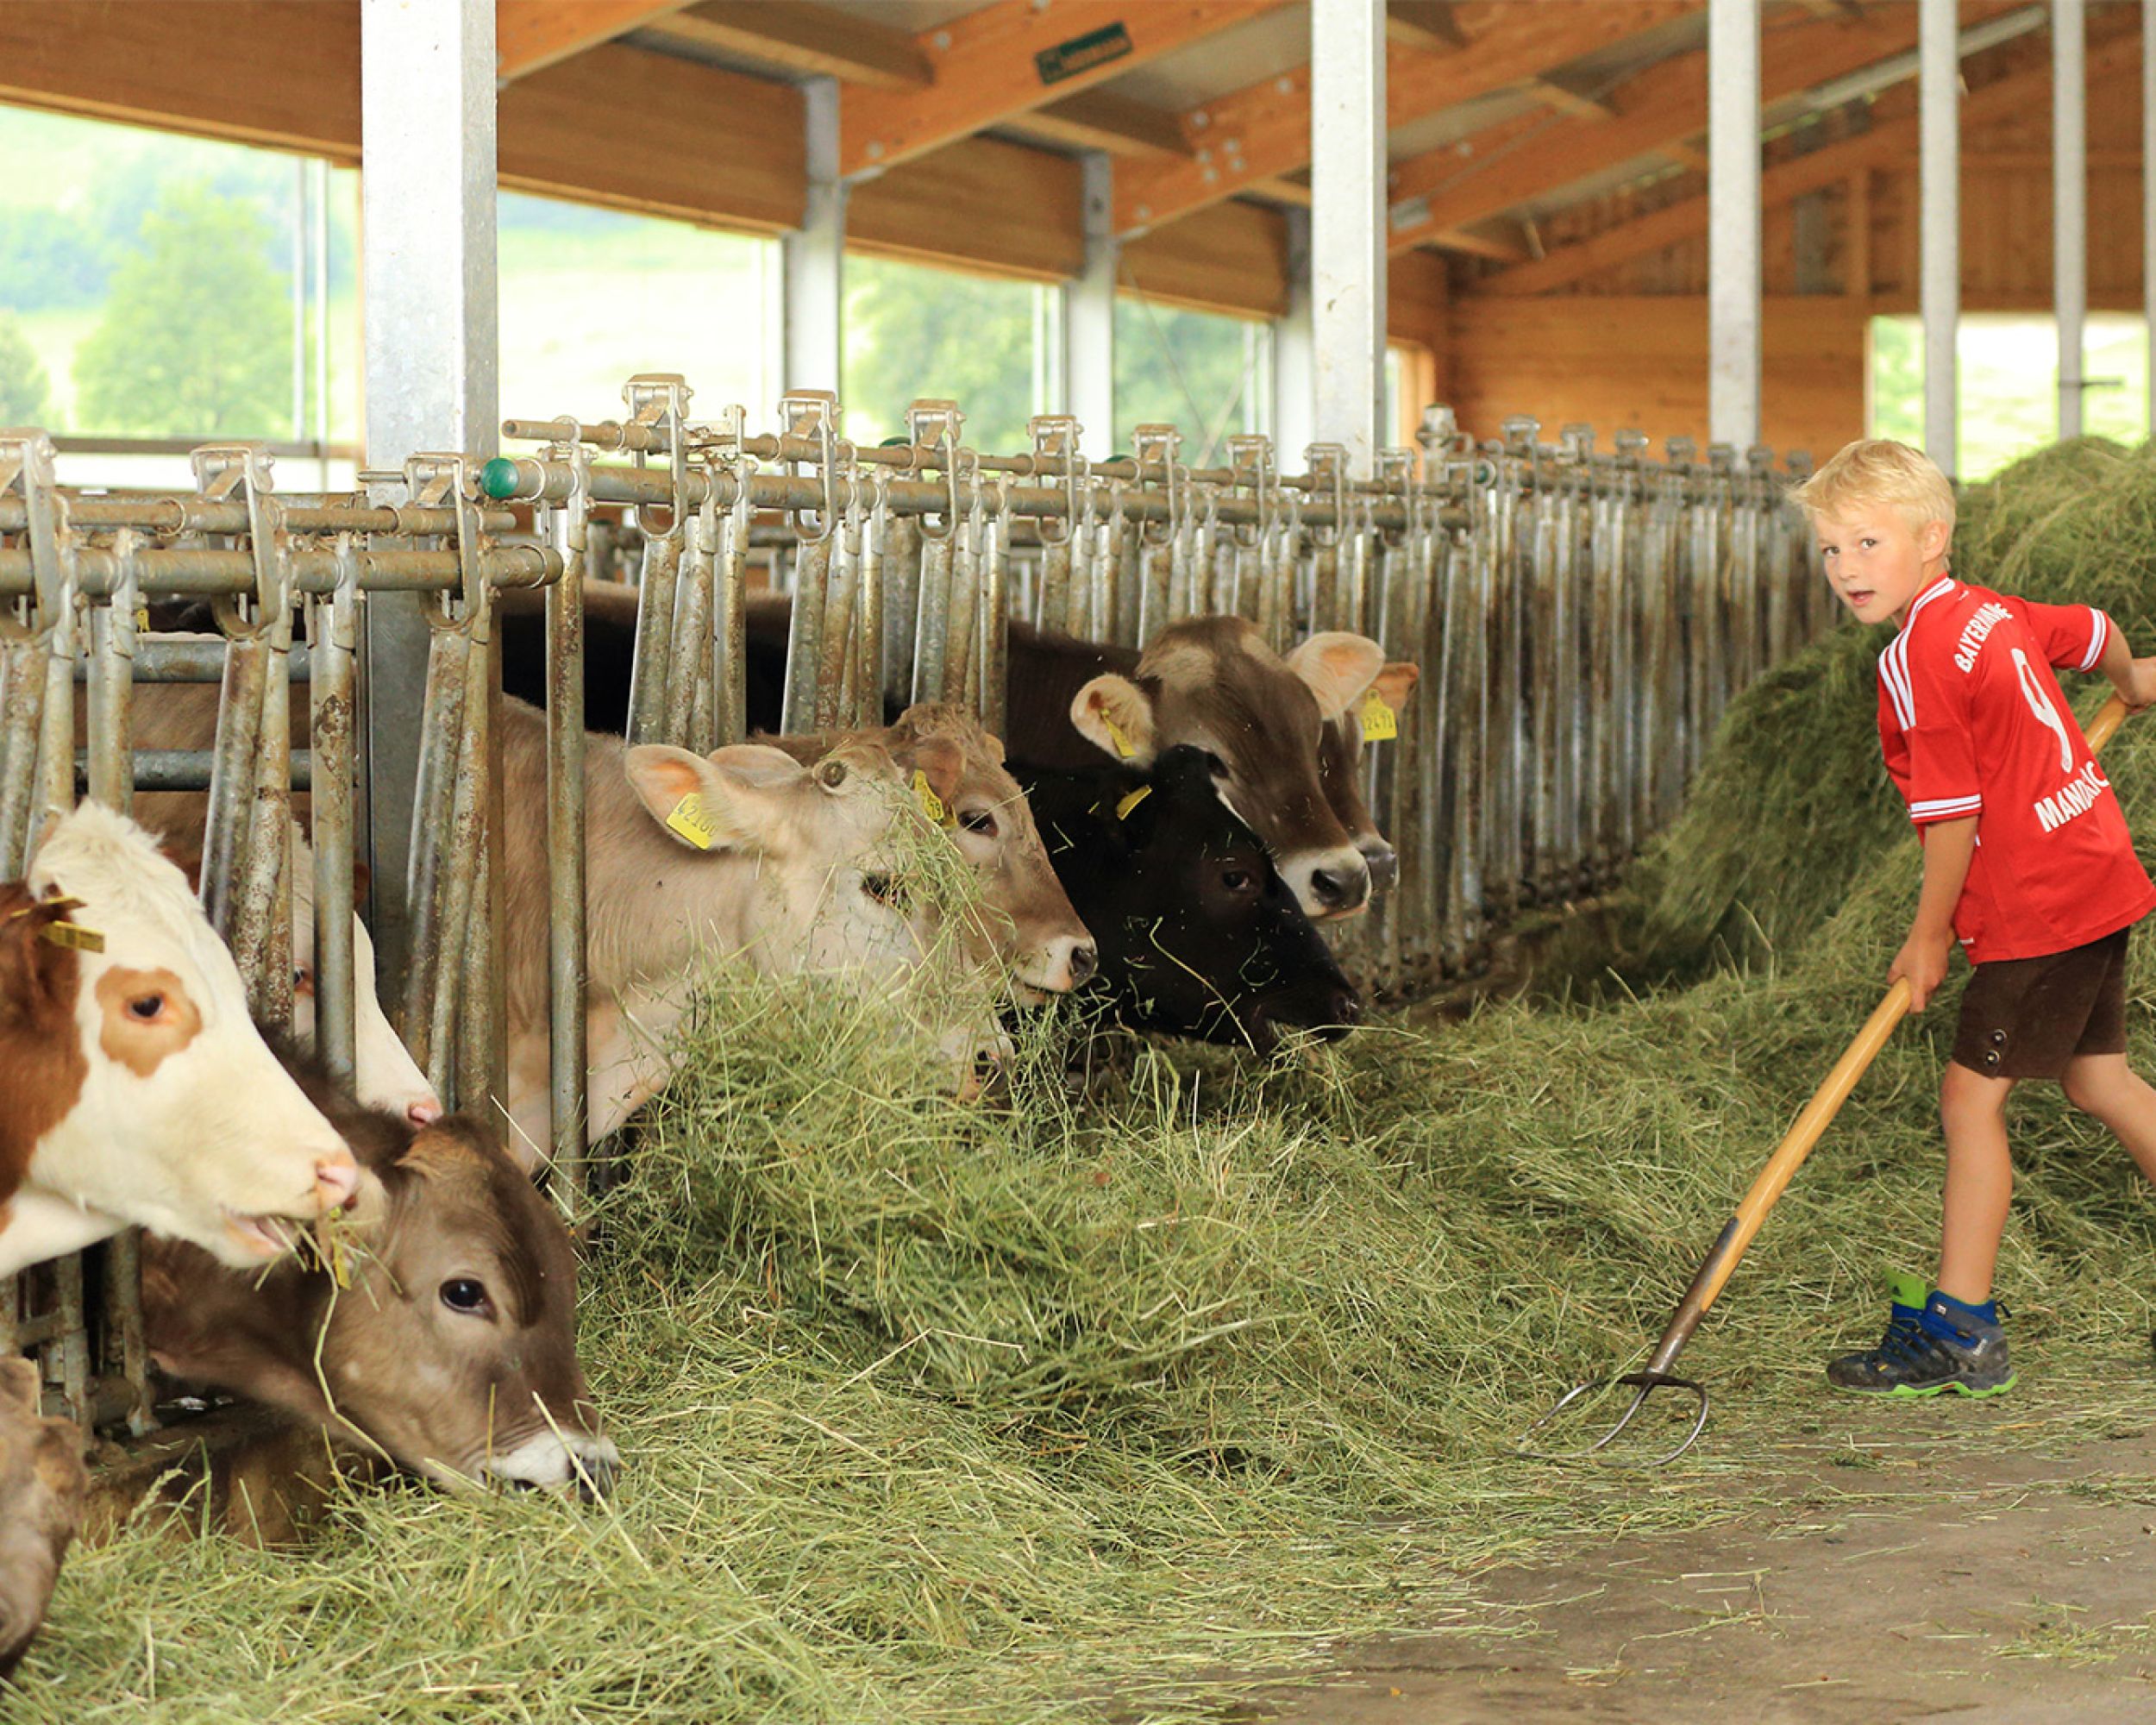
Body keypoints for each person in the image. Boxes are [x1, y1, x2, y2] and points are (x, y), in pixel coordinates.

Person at [1789, 438, 2156, 1397]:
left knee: (1969, 1100)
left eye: (1867, 541)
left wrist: (1925, 938)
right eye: (1830, 549)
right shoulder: (1989, 612)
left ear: (1931, 537)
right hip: (2095, 870)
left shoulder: (1915, 660)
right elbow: (2091, 628)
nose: (1846, 568)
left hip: (2035, 902)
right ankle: (1960, 1317)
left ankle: (1961, 1325)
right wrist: (2135, 680)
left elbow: (1951, 821)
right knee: (2099, 1080)